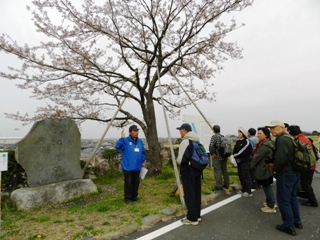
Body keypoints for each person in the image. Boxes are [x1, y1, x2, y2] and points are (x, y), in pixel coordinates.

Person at [266, 120, 302, 236]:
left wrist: (275, 168)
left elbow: (281, 158)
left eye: (274, 128)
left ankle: (288, 226)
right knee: (292, 198)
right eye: (270, 128)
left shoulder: (282, 139)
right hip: (294, 172)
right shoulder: (289, 137)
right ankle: (297, 222)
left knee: (283, 200)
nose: (271, 130)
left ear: (281, 128)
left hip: (286, 173)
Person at [176, 123, 202, 226]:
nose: (179, 132)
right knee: (196, 193)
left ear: (184, 130)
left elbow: (181, 159)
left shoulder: (185, 141)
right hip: (197, 170)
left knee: (189, 194)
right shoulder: (196, 140)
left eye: (180, 130)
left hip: (188, 171)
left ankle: (192, 218)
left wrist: (177, 161)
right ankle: (197, 215)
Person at [288, 125, 318, 207]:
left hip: (306, 165)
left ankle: (313, 201)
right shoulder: (304, 138)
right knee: (305, 183)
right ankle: (306, 196)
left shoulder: (299, 140)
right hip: (310, 164)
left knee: (306, 184)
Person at [115, 124, 145, 205]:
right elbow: (117, 147)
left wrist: (142, 161)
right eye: (134, 131)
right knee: (128, 183)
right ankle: (127, 198)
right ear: (130, 132)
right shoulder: (125, 141)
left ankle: (134, 196)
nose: (136, 132)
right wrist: (121, 138)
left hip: (137, 166)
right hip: (128, 166)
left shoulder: (140, 141)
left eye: (137, 131)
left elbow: (142, 152)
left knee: (136, 182)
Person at [250, 127, 276, 213]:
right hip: (267, 167)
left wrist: (251, 165)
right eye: (258, 133)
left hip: (264, 168)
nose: (258, 135)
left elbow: (258, 157)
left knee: (266, 186)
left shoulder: (265, 145)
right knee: (267, 186)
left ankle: (271, 206)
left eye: (260, 133)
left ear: (266, 134)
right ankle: (271, 202)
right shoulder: (269, 143)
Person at [209, 125, 230, 195]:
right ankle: (227, 184)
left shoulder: (214, 136)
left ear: (213, 130)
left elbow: (211, 146)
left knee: (217, 170)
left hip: (217, 156)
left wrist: (212, 153)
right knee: (224, 170)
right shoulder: (223, 136)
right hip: (224, 156)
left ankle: (219, 186)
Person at [232, 127, 253, 197]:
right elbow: (234, 150)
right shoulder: (238, 142)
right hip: (239, 162)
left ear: (243, 133)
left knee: (246, 175)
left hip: (245, 161)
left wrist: (235, 155)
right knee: (241, 175)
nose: (239, 134)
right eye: (238, 132)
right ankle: (243, 188)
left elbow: (243, 152)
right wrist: (234, 155)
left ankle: (248, 190)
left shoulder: (246, 142)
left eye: (240, 132)